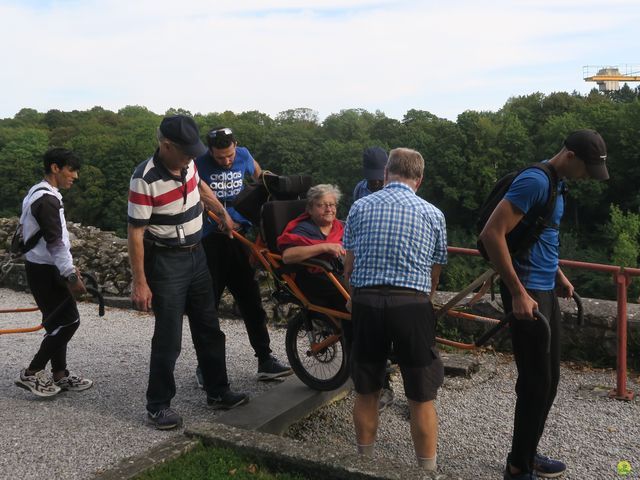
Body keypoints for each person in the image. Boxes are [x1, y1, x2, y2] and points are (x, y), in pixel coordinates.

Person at [479, 129, 609, 480]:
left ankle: (528, 453)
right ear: (570, 156)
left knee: (548, 381)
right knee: (536, 382)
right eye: (586, 168)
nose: (586, 176)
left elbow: (541, 236)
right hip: (526, 294)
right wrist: (519, 292)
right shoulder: (536, 181)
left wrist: (558, 275)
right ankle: (517, 466)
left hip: (543, 289)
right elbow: (492, 234)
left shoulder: (557, 183)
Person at [128, 115, 248, 430]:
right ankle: (158, 405)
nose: (191, 158)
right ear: (166, 145)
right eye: (186, 152)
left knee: (209, 328)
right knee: (169, 337)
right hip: (167, 261)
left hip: (197, 255)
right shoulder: (145, 178)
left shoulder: (188, 164)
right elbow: (136, 233)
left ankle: (217, 391)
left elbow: (200, 187)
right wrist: (140, 282)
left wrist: (221, 212)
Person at [343, 148, 447, 472]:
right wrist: (424, 299)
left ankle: (365, 464)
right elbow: (434, 270)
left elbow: (349, 264)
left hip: (367, 303)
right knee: (421, 397)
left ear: (386, 173)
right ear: (420, 178)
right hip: (411, 307)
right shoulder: (433, 213)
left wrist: (354, 293)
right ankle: (426, 471)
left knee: (366, 390)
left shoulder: (360, 207)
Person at [194, 127, 291, 383]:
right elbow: (196, 192)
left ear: (236, 145)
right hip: (209, 239)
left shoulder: (244, 155)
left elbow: (263, 181)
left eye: (229, 155)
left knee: (251, 300)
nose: (226, 161)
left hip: (239, 239)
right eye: (219, 158)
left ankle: (265, 359)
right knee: (207, 306)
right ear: (209, 151)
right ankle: (206, 367)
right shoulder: (198, 162)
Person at [14, 148, 93, 398]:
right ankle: (33, 371)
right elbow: (55, 242)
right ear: (55, 168)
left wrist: (65, 267)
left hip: (41, 267)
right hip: (46, 271)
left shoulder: (37, 193)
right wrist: (70, 275)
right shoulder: (47, 200)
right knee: (70, 321)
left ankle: (60, 374)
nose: (75, 176)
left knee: (56, 323)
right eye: (71, 170)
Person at [352, 146, 395, 413]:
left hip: (392, 262)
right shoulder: (360, 189)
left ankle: (419, 396)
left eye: (380, 178)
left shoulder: (399, 189)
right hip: (369, 263)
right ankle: (384, 386)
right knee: (376, 332)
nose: (376, 183)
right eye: (372, 179)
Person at [277, 184, 347, 315]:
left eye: (332, 205)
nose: (329, 209)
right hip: (315, 278)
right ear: (309, 209)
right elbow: (287, 256)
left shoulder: (342, 227)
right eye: (321, 205)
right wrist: (324, 247)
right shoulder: (304, 229)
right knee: (355, 296)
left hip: (341, 273)